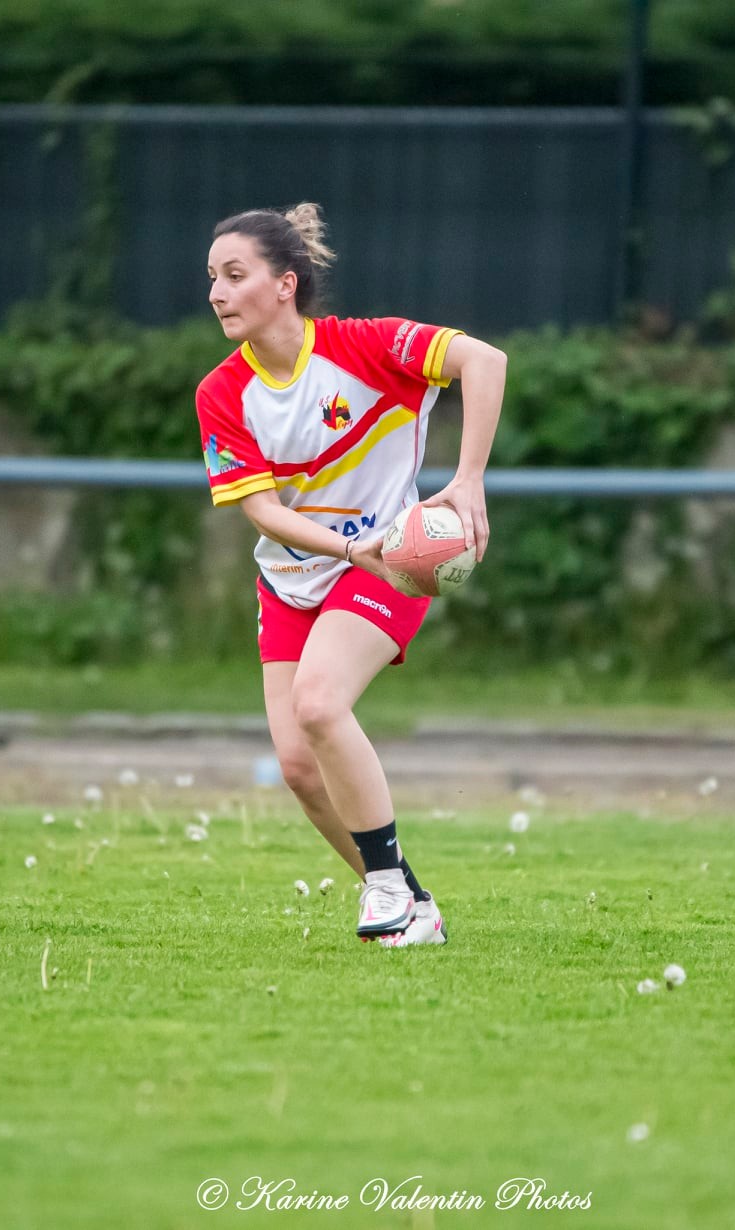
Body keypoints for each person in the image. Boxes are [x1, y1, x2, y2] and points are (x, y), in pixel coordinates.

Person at [195, 203, 507, 946]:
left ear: (285, 284)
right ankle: (410, 900)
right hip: (292, 577)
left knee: (318, 701)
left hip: (389, 568)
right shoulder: (221, 392)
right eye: (211, 277)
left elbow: (483, 361)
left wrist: (468, 481)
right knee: (300, 767)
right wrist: (346, 548)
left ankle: (387, 888)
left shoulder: (365, 347)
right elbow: (265, 515)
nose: (216, 292)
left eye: (234, 275)